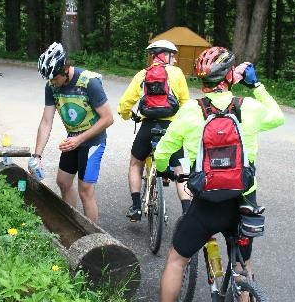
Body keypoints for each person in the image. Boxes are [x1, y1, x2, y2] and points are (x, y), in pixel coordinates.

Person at [152, 46, 284, 302]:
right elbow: (277, 117)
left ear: (202, 82)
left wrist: (167, 170)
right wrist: (257, 85)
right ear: (230, 77)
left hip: (207, 205)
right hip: (244, 202)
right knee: (243, 265)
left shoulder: (190, 111)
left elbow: (162, 153)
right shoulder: (248, 107)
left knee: (176, 259)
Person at [31, 42, 114, 223]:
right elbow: (46, 121)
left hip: (93, 141)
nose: (52, 83)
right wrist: (36, 155)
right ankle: (71, 225)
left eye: (54, 78)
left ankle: (93, 238)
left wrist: (80, 139)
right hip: (73, 139)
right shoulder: (51, 86)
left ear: (65, 69)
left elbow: (108, 118)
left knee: (85, 191)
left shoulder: (89, 83)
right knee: (63, 182)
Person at [117, 39, 190, 222]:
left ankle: (135, 207)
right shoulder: (177, 73)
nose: (175, 60)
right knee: (180, 169)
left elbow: (125, 103)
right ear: (165, 55)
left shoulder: (143, 74)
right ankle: (188, 212)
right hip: (171, 129)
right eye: (173, 56)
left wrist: (127, 115)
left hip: (148, 126)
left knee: (135, 163)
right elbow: (185, 103)